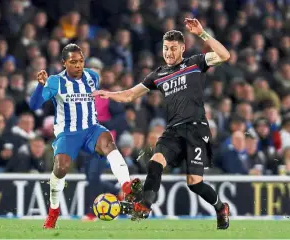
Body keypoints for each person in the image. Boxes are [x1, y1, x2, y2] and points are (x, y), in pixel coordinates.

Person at [93, 18, 231, 229]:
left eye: (173, 48)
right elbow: (130, 95)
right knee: (156, 161)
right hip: (174, 130)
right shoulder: (158, 74)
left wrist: (202, 34)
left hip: (196, 129)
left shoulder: (195, 63)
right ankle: (145, 206)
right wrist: (108, 94)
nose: (168, 52)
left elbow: (225, 55)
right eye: (166, 48)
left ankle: (221, 207)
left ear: (182, 49)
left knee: (195, 183)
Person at [29, 43, 142, 229]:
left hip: (91, 129)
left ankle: (127, 187)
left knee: (108, 141)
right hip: (68, 132)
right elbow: (34, 106)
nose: (78, 65)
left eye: (81, 61)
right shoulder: (55, 82)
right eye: (73, 62)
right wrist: (41, 87)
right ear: (64, 62)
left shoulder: (92, 76)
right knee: (61, 168)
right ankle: (54, 211)